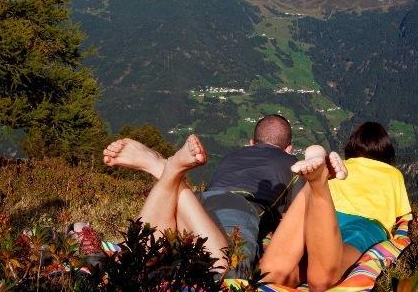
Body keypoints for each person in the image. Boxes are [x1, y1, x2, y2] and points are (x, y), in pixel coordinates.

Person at [102, 114, 299, 277]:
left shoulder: (232, 157)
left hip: (195, 204)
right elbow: (300, 216)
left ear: (251, 143)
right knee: (229, 272)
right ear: (289, 148)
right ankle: (165, 169)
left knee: (141, 258)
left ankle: (169, 174)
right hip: (237, 208)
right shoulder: (293, 164)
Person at [258, 121, 412, 292]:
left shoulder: (342, 165)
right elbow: (404, 217)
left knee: (273, 276)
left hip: (327, 215)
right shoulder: (392, 174)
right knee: (322, 282)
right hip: (365, 225)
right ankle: (317, 183)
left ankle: (314, 185)